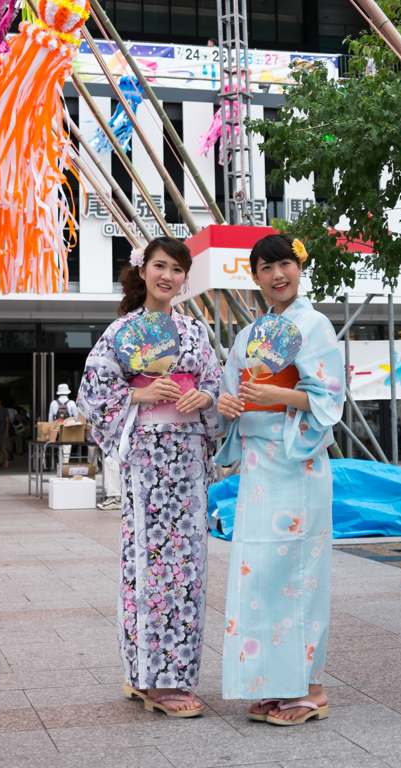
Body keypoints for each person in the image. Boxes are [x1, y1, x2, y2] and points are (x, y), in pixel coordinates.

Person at [78, 236, 221, 717]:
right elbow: (93, 396)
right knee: (150, 561)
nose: (168, 276)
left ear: (185, 277)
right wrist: (138, 396)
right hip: (147, 461)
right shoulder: (121, 331)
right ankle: (155, 679)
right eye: (160, 266)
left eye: (177, 269)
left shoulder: (195, 332)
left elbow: (215, 390)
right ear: (142, 271)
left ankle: (158, 673)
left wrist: (204, 399)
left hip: (187, 460)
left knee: (190, 567)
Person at [216, 234, 344, 725]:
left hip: (299, 461)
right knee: (260, 574)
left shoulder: (315, 326)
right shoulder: (251, 335)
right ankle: (274, 682)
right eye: (266, 268)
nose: (277, 275)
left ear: (299, 267)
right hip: (256, 467)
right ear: (255, 278)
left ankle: (310, 688)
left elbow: (327, 399)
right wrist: (228, 405)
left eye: (285, 264)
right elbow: (232, 396)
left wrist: (274, 396)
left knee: (300, 576)